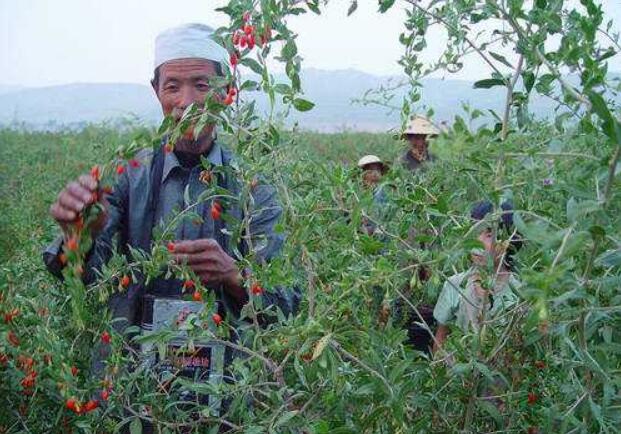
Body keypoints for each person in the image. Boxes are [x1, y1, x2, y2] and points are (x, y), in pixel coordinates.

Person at [43, 23, 300, 418]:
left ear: (225, 92)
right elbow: (82, 282)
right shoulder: (126, 176)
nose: (187, 102)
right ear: (156, 92)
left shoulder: (254, 188)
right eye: (173, 87)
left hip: (227, 397)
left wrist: (234, 276)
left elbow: (285, 305)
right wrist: (80, 233)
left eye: (201, 85)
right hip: (129, 390)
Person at [432, 200, 522, 353]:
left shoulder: (520, 293)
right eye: (474, 233)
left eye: (488, 235)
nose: (477, 242)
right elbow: (440, 342)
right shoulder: (455, 284)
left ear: (508, 241)